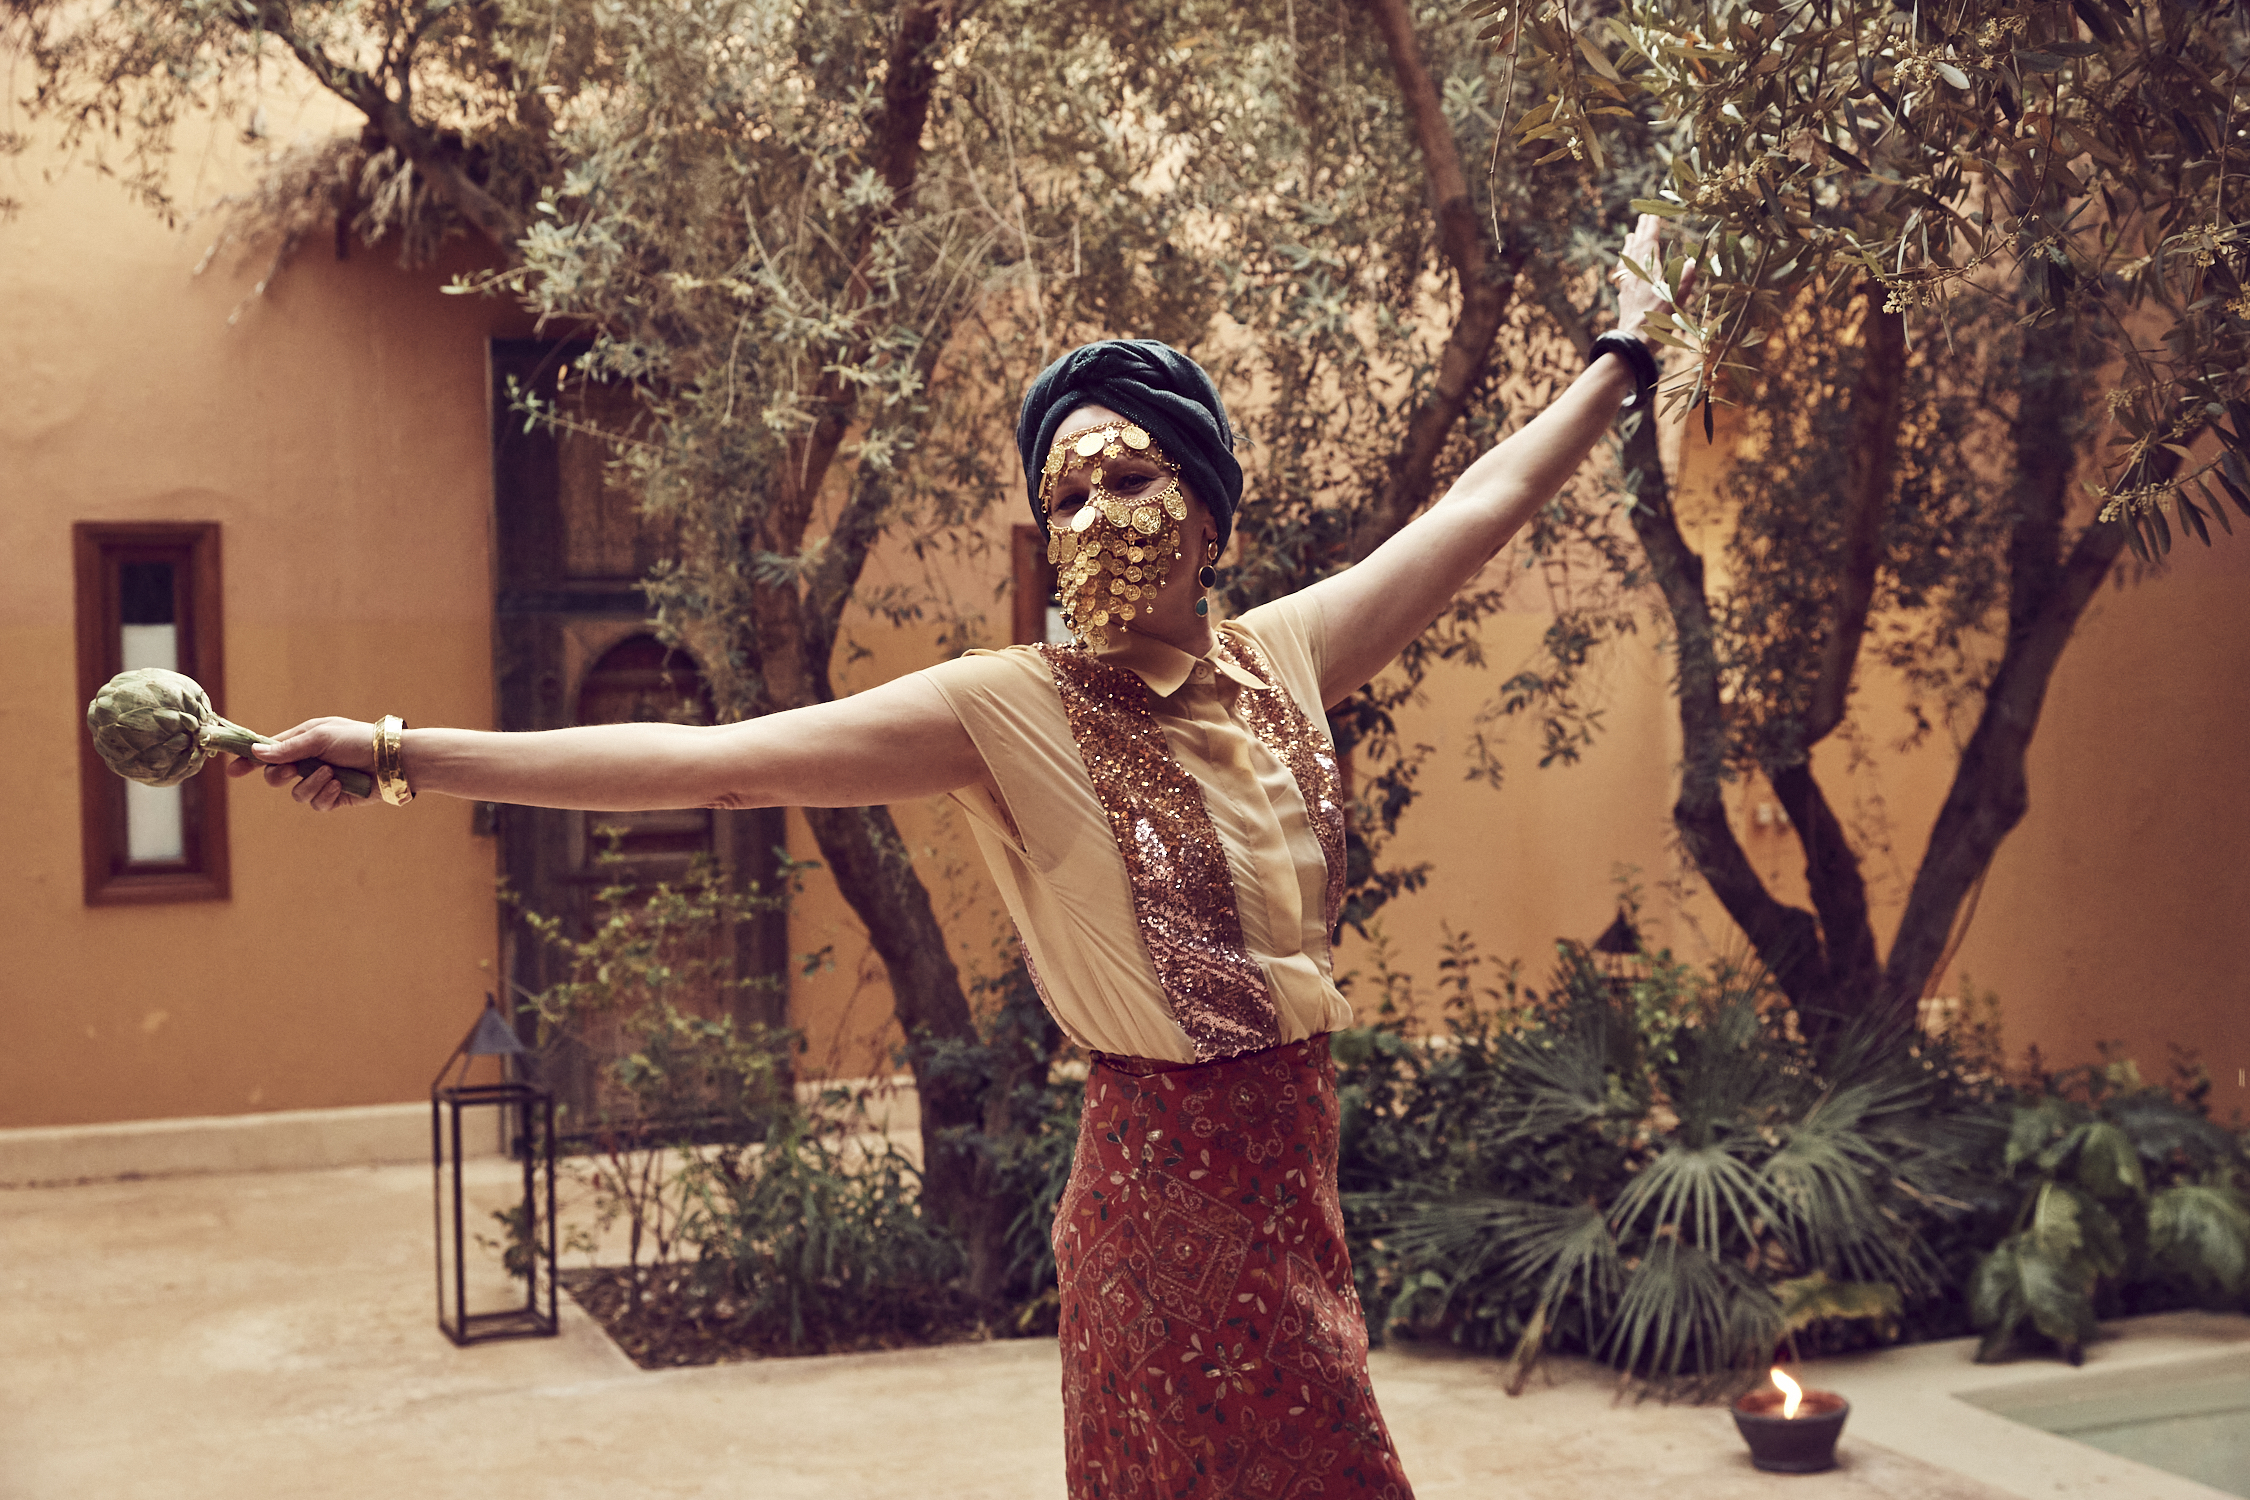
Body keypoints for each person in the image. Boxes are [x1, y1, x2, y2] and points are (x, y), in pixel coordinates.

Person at [238, 216, 1678, 1497]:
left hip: (1293, 1172)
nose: (1094, 516)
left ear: (1206, 507)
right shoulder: (1011, 710)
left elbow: (1480, 508)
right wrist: (396, 750)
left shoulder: (1283, 658)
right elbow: (710, 763)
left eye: (1127, 476)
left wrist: (1624, 355)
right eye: (1065, 497)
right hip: (1158, 1197)